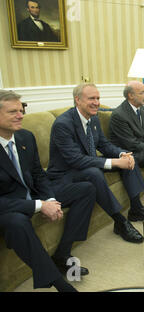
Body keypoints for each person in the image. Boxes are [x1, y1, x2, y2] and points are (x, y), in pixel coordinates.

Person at [0, 90, 96, 292]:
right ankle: (60, 284)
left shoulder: (25, 137)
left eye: (21, 109)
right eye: (13, 112)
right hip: (9, 206)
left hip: (33, 195)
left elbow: (38, 174)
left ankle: (63, 253)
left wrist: (50, 198)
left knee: (85, 188)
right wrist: (39, 205)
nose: (20, 115)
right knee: (16, 222)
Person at [47, 84, 144, 244]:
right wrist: (114, 161)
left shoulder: (93, 118)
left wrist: (122, 154)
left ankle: (136, 207)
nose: (96, 103)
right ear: (78, 100)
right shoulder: (63, 124)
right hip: (66, 173)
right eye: (91, 99)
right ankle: (120, 222)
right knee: (94, 172)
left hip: (89, 163)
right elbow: (76, 160)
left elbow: (104, 144)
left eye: (98, 98)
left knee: (129, 158)